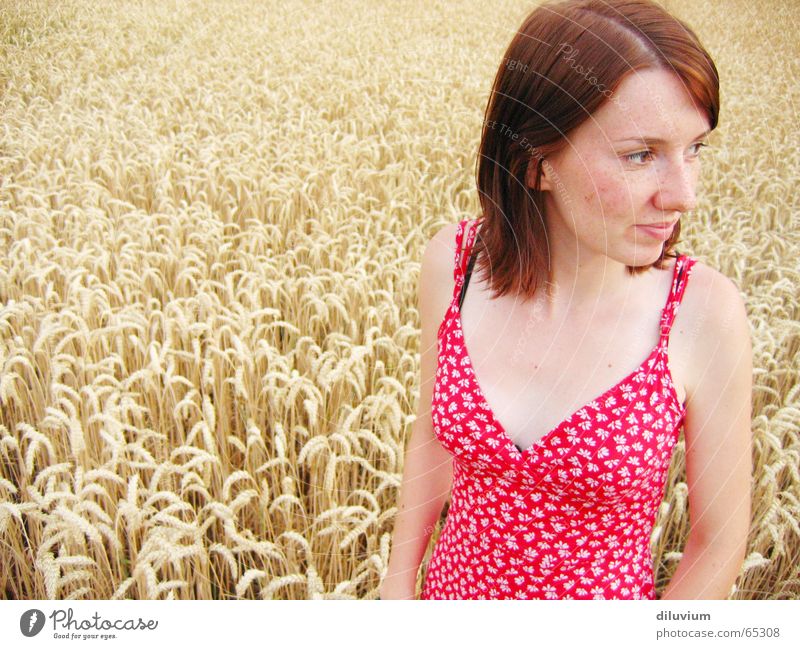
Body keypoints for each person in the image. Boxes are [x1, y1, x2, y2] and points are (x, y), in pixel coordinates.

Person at [380, 0, 752, 600]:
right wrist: (396, 594)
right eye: (640, 154)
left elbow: (718, 542)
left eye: (695, 150)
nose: (683, 195)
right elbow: (432, 434)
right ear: (537, 161)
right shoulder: (454, 264)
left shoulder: (702, 313)